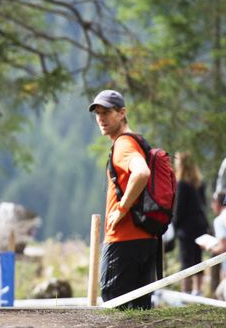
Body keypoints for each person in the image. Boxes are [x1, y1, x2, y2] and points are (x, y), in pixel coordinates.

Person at [89, 89, 156, 310]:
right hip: (144, 237)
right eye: (97, 113)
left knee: (115, 307)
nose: (101, 118)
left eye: (107, 112)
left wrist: (121, 208)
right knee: (139, 313)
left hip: (123, 240)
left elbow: (142, 172)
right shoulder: (135, 141)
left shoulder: (123, 145)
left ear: (122, 113)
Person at [172, 151, 208, 295]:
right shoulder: (199, 183)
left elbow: (179, 209)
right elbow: (203, 205)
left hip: (186, 228)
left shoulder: (181, 184)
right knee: (198, 258)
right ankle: (197, 291)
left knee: (186, 259)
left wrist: (174, 226)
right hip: (200, 225)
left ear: (180, 165)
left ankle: (185, 293)